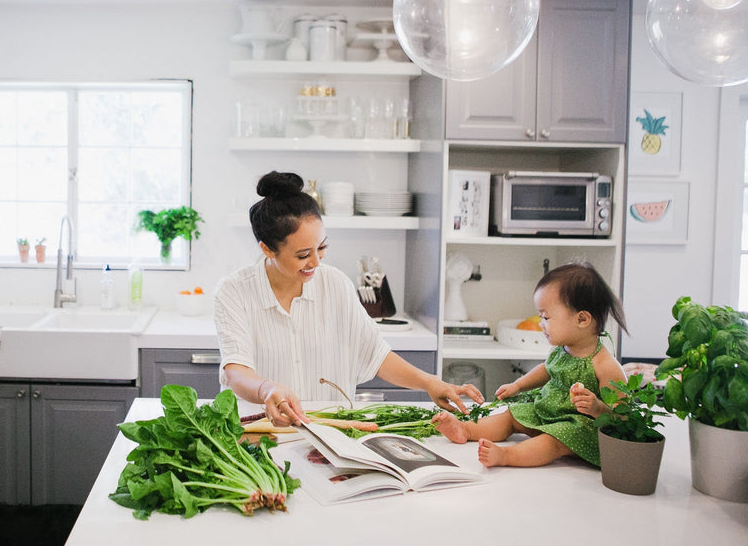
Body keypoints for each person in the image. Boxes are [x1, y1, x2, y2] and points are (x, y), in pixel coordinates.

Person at [214, 171, 483, 427]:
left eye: (322, 247)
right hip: (262, 431)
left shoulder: (335, 284)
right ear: (267, 249)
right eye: (303, 255)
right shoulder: (234, 292)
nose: (316, 262)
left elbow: (375, 354)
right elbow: (237, 371)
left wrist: (429, 382)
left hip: (331, 432)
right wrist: (266, 389)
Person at [432, 262, 627, 468]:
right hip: (547, 413)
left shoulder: (605, 365)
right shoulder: (563, 349)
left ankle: (506, 456)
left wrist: (597, 407)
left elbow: (622, 416)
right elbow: (546, 369)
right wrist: (518, 385)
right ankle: (466, 430)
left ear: (582, 319)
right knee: (511, 416)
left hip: (577, 430)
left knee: (552, 441)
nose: (541, 323)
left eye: (546, 317)